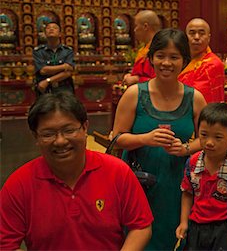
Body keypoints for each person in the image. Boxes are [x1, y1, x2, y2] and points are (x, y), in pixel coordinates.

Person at [0, 91, 153, 250]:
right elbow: (6, 244)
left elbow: (140, 226)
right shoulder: (18, 184)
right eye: (48, 134)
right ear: (35, 136)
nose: (60, 141)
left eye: (69, 130)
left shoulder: (117, 171)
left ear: (85, 127)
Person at [112, 28, 207, 250]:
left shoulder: (195, 98)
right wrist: (146, 138)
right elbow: (116, 139)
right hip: (139, 181)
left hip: (177, 185)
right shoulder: (135, 94)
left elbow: (207, 140)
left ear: (184, 60)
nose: (167, 63)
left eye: (174, 57)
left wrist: (185, 148)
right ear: (151, 58)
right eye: (161, 56)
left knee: (172, 236)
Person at [176, 103, 227, 251]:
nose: (209, 142)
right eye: (204, 134)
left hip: (224, 231)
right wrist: (183, 222)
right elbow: (188, 193)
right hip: (196, 228)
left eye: (218, 137)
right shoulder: (193, 163)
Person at [178, 18, 225, 103]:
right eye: (192, 33)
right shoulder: (179, 59)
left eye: (201, 33)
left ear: (209, 38)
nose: (196, 37)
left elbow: (198, 95)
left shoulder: (213, 64)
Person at [33, 22, 74, 96]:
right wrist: (63, 66)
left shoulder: (67, 51)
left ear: (60, 34)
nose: (51, 29)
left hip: (64, 88)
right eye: (48, 28)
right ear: (45, 34)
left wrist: (48, 81)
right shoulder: (38, 51)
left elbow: (68, 72)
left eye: (55, 28)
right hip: (44, 89)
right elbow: (43, 70)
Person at [122, 10, 161, 86]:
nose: (134, 30)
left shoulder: (159, 49)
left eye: (136, 26)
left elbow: (161, 80)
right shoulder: (143, 49)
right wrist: (131, 76)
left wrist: (136, 79)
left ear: (145, 26)